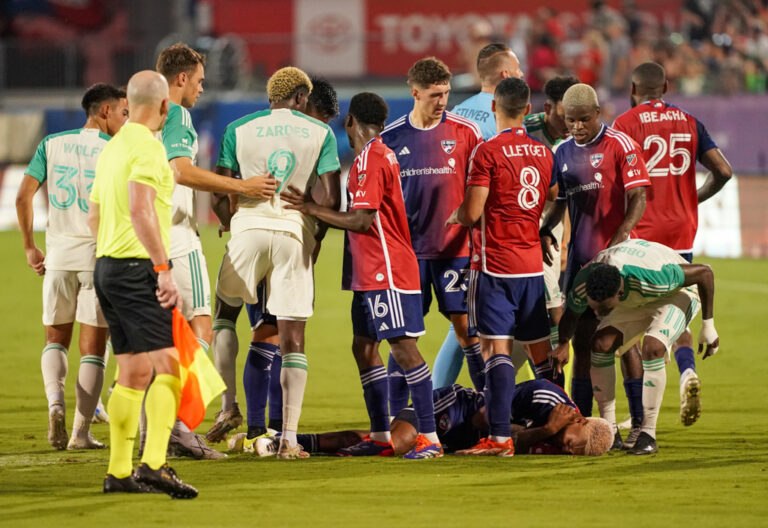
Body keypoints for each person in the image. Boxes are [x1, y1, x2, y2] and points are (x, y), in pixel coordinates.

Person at [281, 92, 443, 459]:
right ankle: (381, 434)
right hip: (368, 272)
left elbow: (362, 219)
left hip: (387, 268)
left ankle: (430, 439)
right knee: (363, 347)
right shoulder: (369, 158)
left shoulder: (371, 158)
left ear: (350, 121)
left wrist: (310, 208)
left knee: (404, 349)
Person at [154, 42, 276, 458]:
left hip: (137, 240)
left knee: (157, 340)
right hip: (176, 237)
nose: (202, 90)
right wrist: (242, 187)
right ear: (182, 78)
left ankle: (148, 416)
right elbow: (182, 171)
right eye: (200, 81)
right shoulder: (177, 114)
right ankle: (179, 426)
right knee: (200, 328)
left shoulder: (135, 116)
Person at [212, 66, 340, 459]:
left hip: (248, 229)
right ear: (302, 97)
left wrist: (229, 221)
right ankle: (288, 438)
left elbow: (220, 190)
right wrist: (311, 233)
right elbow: (332, 201)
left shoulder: (237, 127)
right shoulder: (322, 133)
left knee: (224, 316)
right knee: (292, 339)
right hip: (292, 233)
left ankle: (229, 405)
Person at [89, 70, 196, 497]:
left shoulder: (112, 148)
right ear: (165, 107)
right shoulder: (151, 148)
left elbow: (94, 215)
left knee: (132, 370)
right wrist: (163, 268)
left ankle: (118, 472)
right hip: (137, 269)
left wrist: (109, 257)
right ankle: (154, 464)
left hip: (107, 267)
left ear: (128, 105)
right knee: (169, 368)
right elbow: (141, 209)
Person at [612, 61, 733, 426]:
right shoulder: (691, 122)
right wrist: (690, 198)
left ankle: (638, 415)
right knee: (675, 308)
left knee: (630, 319)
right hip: (680, 231)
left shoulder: (625, 124)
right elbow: (724, 172)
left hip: (642, 232)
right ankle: (685, 372)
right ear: (666, 85)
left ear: (633, 89)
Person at [446, 77, 555, 456]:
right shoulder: (544, 152)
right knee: (542, 355)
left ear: (494, 107)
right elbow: (553, 196)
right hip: (531, 267)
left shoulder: (486, 151)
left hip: (494, 267)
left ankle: (499, 438)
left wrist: (456, 216)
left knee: (496, 351)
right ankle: (562, 421)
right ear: (528, 109)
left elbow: (474, 211)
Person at [16, 83, 127, 451]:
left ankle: (55, 405)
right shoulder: (117, 149)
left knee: (55, 340)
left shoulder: (52, 144)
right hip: (98, 257)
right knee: (94, 349)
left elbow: (23, 195)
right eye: (123, 113)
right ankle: (80, 433)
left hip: (58, 258)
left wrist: (31, 247)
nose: (125, 121)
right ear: (105, 111)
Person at [540, 83, 649, 433]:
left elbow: (639, 197)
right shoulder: (561, 152)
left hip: (617, 260)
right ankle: (583, 423)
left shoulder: (621, 145)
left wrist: (620, 237)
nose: (577, 127)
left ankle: (638, 422)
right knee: (581, 342)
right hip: (579, 261)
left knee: (624, 341)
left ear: (598, 113)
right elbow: (560, 202)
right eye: (570, 120)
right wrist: (545, 228)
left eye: (583, 120)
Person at [381, 57, 484, 413]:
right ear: (415, 93)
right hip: (409, 254)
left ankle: (491, 412)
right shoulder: (391, 139)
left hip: (457, 251)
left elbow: (482, 189)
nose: (442, 102)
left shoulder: (466, 132)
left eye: (446, 94)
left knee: (468, 331)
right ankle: (397, 416)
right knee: (403, 337)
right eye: (435, 95)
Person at [552, 239, 720, 454]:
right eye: (595, 308)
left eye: (603, 309)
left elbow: (705, 273)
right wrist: (564, 343)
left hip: (675, 295)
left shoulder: (654, 278)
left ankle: (648, 434)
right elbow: (572, 315)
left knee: (652, 346)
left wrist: (708, 326)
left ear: (619, 294)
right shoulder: (586, 280)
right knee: (600, 343)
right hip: (634, 300)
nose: (597, 314)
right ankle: (610, 430)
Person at [432, 43, 526, 389]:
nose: (520, 75)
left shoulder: (455, 114)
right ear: (504, 75)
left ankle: (506, 398)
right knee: (481, 322)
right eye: (516, 71)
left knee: (469, 321)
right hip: (491, 232)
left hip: (450, 226)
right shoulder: (508, 117)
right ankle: (437, 399)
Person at [232, 380, 612, 457]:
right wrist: (544, 431)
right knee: (393, 444)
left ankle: (294, 441)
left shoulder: (566, 440)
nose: (561, 447)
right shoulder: (545, 400)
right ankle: (285, 439)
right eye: (568, 442)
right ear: (577, 420)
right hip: (455, 406)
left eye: (569, 453)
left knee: (378, 438)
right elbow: (484, 419)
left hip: (461, 438)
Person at [452, 43, 524, 140]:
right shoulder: (510, 119)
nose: (521, 74)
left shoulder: (455, 112)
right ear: (506, 74)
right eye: (517, 69)